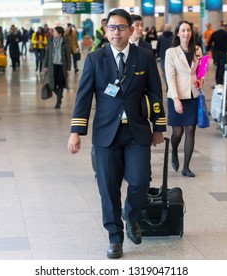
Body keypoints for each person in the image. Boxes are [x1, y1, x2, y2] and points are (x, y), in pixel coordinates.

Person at [67, 9, 166, 259]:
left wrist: (159, 127)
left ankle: (131, 216)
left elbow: (155, 93)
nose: (116, 32)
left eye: (122, 27)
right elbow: (83, 97)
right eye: (112, 28)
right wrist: (76, 131)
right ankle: (115, 238)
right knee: (108, 188)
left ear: (131, 30)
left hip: (136, 132)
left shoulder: (144, 57)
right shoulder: (95, 59)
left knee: (141, 181)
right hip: (105, 135)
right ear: (105, 31)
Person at [165, 20, 203, 178]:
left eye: (188, 30)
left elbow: (200, 72)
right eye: (183, 30)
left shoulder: (198, 50)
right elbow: (170, 77)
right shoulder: (171, 52)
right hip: (177, 96)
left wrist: (199, 81)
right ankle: (174, 150)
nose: (186, 33)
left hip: (192, 95)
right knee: (177, 133)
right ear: (178, 33)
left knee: (191, 130)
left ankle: (186, 167)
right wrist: (175, 99)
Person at [43, 26, 71, 109]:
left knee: (61, 83)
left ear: (59, 34)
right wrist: (45, 65)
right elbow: (47, 54)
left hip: (62, 66)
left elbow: (68, 56)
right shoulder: (51, 41)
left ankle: (58, 102)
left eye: (55, 32)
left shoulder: (65, 42)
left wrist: (68, 68)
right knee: (52, 84)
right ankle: (59, 94)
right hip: (53, 65)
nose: (53, 33)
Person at [156, 23, 173, 89]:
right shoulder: (173, 37)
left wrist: (157, 55)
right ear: (170, 28)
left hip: (163, 56)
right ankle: (170, 85)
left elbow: (158, 46)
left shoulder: (161, 37)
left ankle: (167, 84)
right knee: (171, 71)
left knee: (164, 72)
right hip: (172, 57)